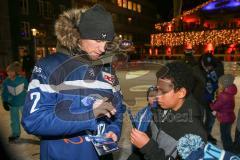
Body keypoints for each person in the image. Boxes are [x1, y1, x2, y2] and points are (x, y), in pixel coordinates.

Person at [21, 4, 125, 160]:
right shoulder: (49, 66)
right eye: (97, 40)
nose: (102, 48)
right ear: (80, 35)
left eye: (107, 42)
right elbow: (34, 120)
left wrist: (113, 129)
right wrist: (89, 115)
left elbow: (118, 109)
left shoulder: (107, 69)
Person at [129, 61, 207, 160]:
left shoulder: (194, 133)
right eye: (157, 90)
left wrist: (148, 147)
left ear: (181, 93)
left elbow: (149, 146)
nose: (157, 96)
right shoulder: (159, 109)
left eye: (163, 91)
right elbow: (150, 137)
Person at [1, 61, 28, 143]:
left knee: (27, 118)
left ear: (15, 72)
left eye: (11, 71)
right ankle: (15, 133)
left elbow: (29, 88)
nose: (9, 73)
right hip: (13, 104)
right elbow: (4, 92)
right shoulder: (6, 82)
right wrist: (5, 102)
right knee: (14, 120)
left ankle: (35, 130)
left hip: (23, 102)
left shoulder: (22, 80)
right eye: (8, 71)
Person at [210, 74, 237, 151]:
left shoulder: (223, 95)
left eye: (219, 83)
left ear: (224, 85)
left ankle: (229, 151)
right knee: (227, 135)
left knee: (225, 136)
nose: (218, 84)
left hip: (225, 119)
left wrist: (211, 103)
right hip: (229, 117)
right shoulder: (230, 93)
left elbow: (215, 106)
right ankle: (230, 148)